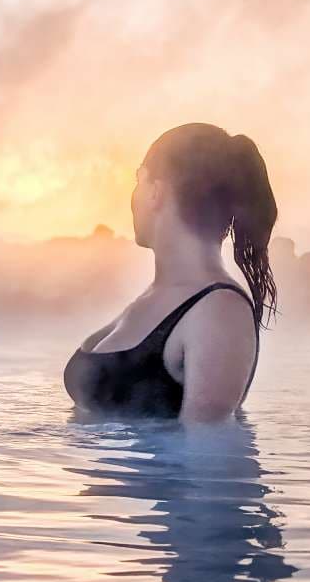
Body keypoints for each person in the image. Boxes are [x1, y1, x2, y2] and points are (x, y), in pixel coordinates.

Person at [64, 123, 279, 424]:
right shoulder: (159, 296)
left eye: (138, 181)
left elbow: (207, 456)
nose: (133, 196)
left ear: (155, 190)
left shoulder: (218, 311)